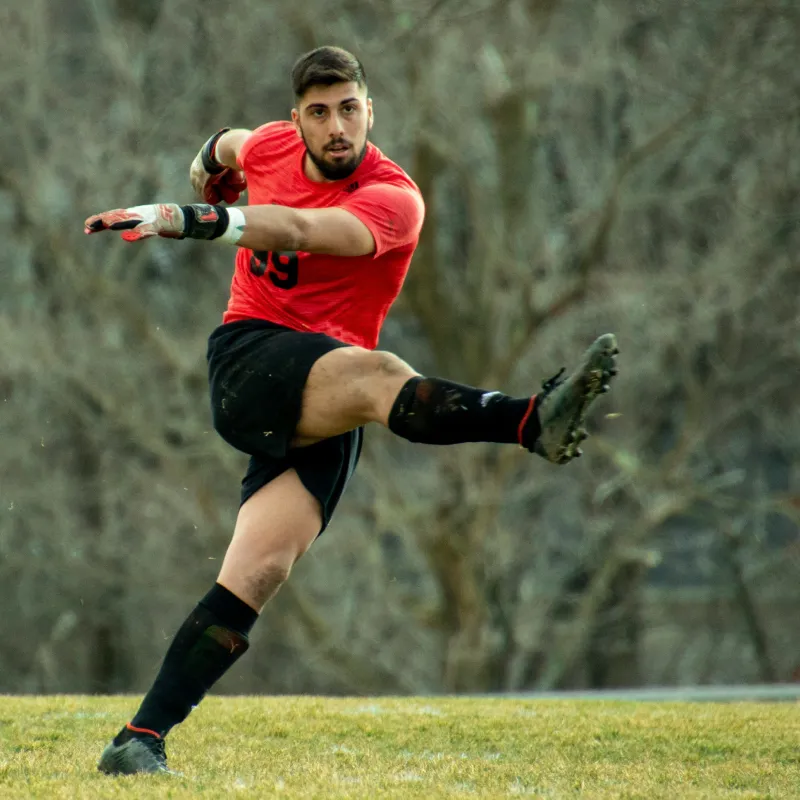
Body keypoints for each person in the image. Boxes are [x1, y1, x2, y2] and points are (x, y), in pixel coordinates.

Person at [85, 46, 619, 775]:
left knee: (259, 572)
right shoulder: (271, 144)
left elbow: (303, 232)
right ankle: (528, 421)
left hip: (324, 390)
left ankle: (137, 741)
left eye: (348, 108)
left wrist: (191, 213)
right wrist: (208, 165)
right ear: (297, 119)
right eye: (318, 112)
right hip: (250, 360)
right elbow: (227, 145)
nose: (336, 126)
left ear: (371, 109)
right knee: (382, 375)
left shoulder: (394, 198)